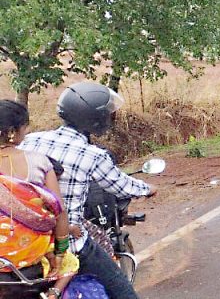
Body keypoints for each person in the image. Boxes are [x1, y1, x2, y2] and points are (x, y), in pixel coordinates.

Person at [19, 82, 155, 299]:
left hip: (28, 239)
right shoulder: (92, 154)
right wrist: (147, 188)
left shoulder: (31, 140)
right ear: (96, 119)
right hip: (68, 242)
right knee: (123, 291)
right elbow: (120, 186)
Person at [0, 100, 73, 299]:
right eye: (25, 127)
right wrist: (60, 254)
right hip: (29, 261)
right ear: (14, 131)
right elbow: (59, 211)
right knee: (71, 264)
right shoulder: (38, 161)